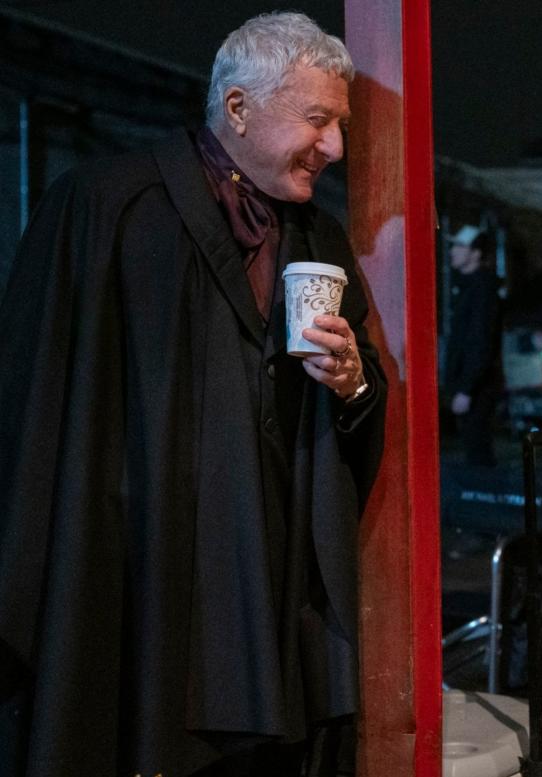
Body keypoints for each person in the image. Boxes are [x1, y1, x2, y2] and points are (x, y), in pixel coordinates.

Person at [0, 13, 386, 777]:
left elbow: (357, 396)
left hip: (269, 588)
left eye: (339, 123)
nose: (336, 147)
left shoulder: (319, 239)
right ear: (238, 108)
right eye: (318, 120)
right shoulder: (106, 206)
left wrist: (353, 380)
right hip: (139, 574)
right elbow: (33, 398)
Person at [443, 224, 504, 466]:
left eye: (460, 246)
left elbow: (480, 341)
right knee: (475, 447)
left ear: (476, 254)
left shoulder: (481, 290)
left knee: (477, 448)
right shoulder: (472, 287)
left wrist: (466, 388)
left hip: (477, 387)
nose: (453, 251)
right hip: (473, 385)